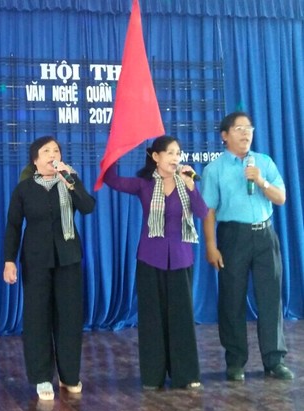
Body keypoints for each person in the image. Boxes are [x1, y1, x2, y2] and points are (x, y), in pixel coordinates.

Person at [103, 135, 207, 390]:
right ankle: (153, 376)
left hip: (181, 259)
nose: (175, 158)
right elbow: (112, 180)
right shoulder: (144, 184)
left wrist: (191, 186)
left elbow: (202, 212)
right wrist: (115, 150)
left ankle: (186, 374)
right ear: (156, 157)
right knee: (152, 319)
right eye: (170, 153)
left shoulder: (186, 182)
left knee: (182, 318)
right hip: (150, 258)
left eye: (178, 153)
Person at [201, 111, 294, 382]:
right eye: (239, 128)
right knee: (232, 299)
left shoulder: (263, 162)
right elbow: (208, 211)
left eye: (249, 128)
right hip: (233, 236)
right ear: (225, 135)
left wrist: (261, 181)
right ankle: (235, 361)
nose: (246, 133)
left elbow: (281, 198)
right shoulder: (214, 169)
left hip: (265, 235)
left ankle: (274, 360)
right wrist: (211, 245)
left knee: (270, 298)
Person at [3, 136, 95, 401]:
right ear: (35, 160)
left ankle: (69, 375)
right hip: (36, 261)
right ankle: (42, 377)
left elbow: (88, 207)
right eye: (46, 151)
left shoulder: (69, 181)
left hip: (68, 259)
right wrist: (9, 260)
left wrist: (72, 182)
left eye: (56, 150)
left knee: (69, 318)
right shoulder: (24, 189)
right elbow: (13, 226)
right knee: (38, 319)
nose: (53, 155)